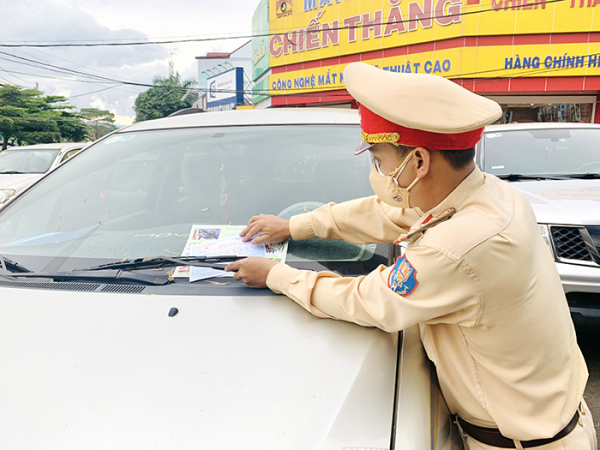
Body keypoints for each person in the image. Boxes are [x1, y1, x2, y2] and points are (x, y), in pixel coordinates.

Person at [225, 62, 597, 450]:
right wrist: (295, 227)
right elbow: (390, 212)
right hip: (552, 425)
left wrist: (275, 275)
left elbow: (369, 301)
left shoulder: (457, 246)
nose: (378, 171)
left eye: (379, 159)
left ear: (418, 162)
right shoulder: (490, 195)